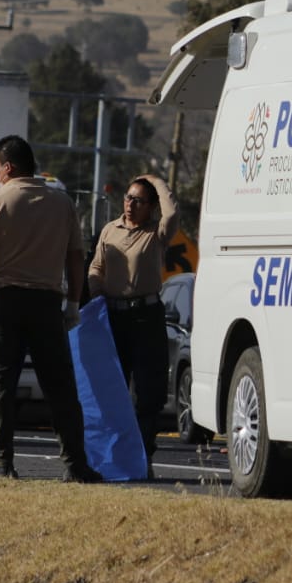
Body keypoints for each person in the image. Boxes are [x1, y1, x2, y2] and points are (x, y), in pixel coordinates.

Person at [0, 134, 101, 483]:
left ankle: (3, 464)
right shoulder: (61, 203)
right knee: (60, 386)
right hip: (47, 301)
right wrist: (73, 302)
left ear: (9, 167)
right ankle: (75, 464)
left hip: (2, 300)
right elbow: (76, 257)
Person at [87, 174, 178, 478]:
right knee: (111, 390)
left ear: (151, 206)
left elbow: (173, 213)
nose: (130, 204)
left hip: (146, 316)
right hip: (112, 317)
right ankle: (109, 457)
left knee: (147, 393)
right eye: (128, 198)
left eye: (139, 200)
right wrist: (95, 289)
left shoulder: (156, 233)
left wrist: (155, 180)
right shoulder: (110, 230)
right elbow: (96, 267)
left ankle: (143, 456)